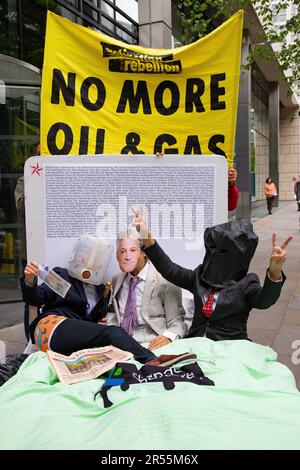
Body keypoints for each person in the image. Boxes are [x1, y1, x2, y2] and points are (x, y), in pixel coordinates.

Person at [131, 212, 292, 341]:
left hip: (230, 349)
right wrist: (146, 237)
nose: (216, 256)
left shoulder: (245, 284)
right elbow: (169, 269)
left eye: (223, 252)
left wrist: (275, 271)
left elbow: (265, 300)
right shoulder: (198, 277)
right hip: (196, 346)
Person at [21, 260, 195, 368]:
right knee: (112, 333)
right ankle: (152, 360)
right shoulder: (62, 275)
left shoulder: (101, 289)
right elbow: (36, 297)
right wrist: (30, 280)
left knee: (110, 355)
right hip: (51, 327)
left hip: (69, 339)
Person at [109, 231, 187, 350]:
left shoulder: (165, 280)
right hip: (121, 343)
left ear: (144, 252)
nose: (127, 256)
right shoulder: (117, 280)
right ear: (117, 255)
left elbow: (178, 322)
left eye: (133, 250)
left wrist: (168, 337)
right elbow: (116, 316)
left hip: (152, 342)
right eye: (122, 251)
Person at [15, 141, 40, 340]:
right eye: (39, 154)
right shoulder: (25, 180)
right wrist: (36, 185)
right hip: (31, 251)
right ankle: (29, 341)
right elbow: (22, 209)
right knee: (30, 298)